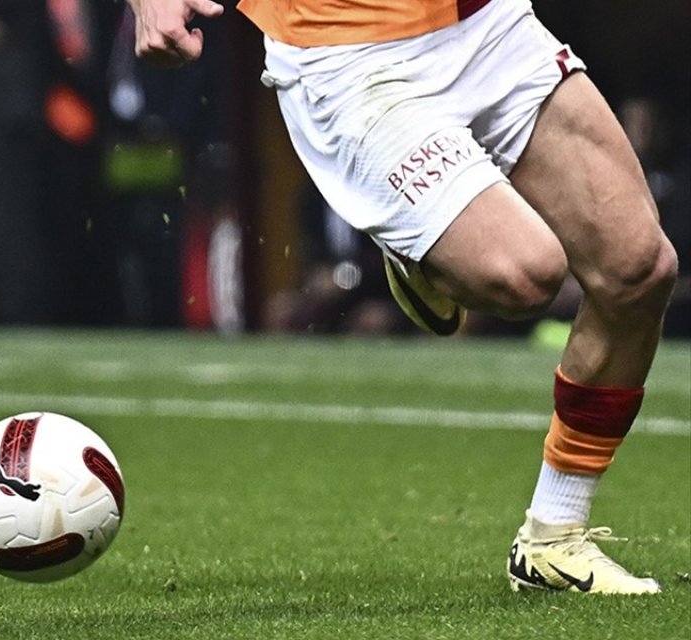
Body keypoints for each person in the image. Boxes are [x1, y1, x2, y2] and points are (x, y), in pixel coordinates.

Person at [126, 0, 678, 594]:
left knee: (639, 268)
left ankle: (553, 538)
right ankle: (419, 244)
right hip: (347, 48)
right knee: (526, 275)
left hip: (487, 23)